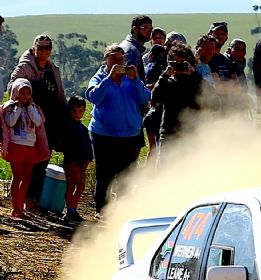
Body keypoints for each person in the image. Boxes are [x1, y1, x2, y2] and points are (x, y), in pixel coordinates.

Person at [85, 44, 151, 217]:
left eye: (121, 59)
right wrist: (109, 79)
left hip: (129, 134)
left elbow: (145, 97)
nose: (118, 62)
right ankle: (102, 210)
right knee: (104, 174)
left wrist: (136, 79)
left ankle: (123, 210)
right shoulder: (99, 78)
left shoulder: (130, 78)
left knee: (126, 174)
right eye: (113, 58)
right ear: (106, 60)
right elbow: (93, 97)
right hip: (104, 134)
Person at [8, 34, 67, 214]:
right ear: (34, 48)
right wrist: (26, 100)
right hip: (27, 125)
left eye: (47, 47)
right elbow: (12, 87)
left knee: (42, 161)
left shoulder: (52, 69)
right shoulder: (25, 67)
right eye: (40, 47)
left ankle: (33, 201)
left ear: (51, 50)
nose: (43, 50)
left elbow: (60, 94)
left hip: (48, 122)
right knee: (27, 166)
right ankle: (21, 203)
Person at [1, 79, 49, 219]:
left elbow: (38, 121)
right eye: (22, 93)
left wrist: (29, 107)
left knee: (27, 177)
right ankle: (15, 208)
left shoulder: (33, 107)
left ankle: (21, 205)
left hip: (30, 146)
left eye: (28, 93)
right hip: (16, 145)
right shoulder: (10, 107)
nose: (25, 96)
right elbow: (10, 122)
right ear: (15, 92)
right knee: (17, 176)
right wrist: (18, 107)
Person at [151, 42, 203, 152]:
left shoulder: (196, 82)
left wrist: (194, 74)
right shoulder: (166, 82)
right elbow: (155, 99)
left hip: (193, 134)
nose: (179, 66)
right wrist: (164, 76)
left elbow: (214, 101)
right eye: (175, 63)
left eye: (182, 63)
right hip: (169, 134)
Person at [60, 96, 93, 223]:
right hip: (72, 161)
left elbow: (87, 145)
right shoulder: (68, 127)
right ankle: (70, 211)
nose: (77, 114)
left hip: (82, 162)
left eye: (80, 111)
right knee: (71, 185)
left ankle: (72, 209)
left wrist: (88, 159)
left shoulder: (82, 128)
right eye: (74, 111)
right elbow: (67, 146)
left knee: (80, 186)